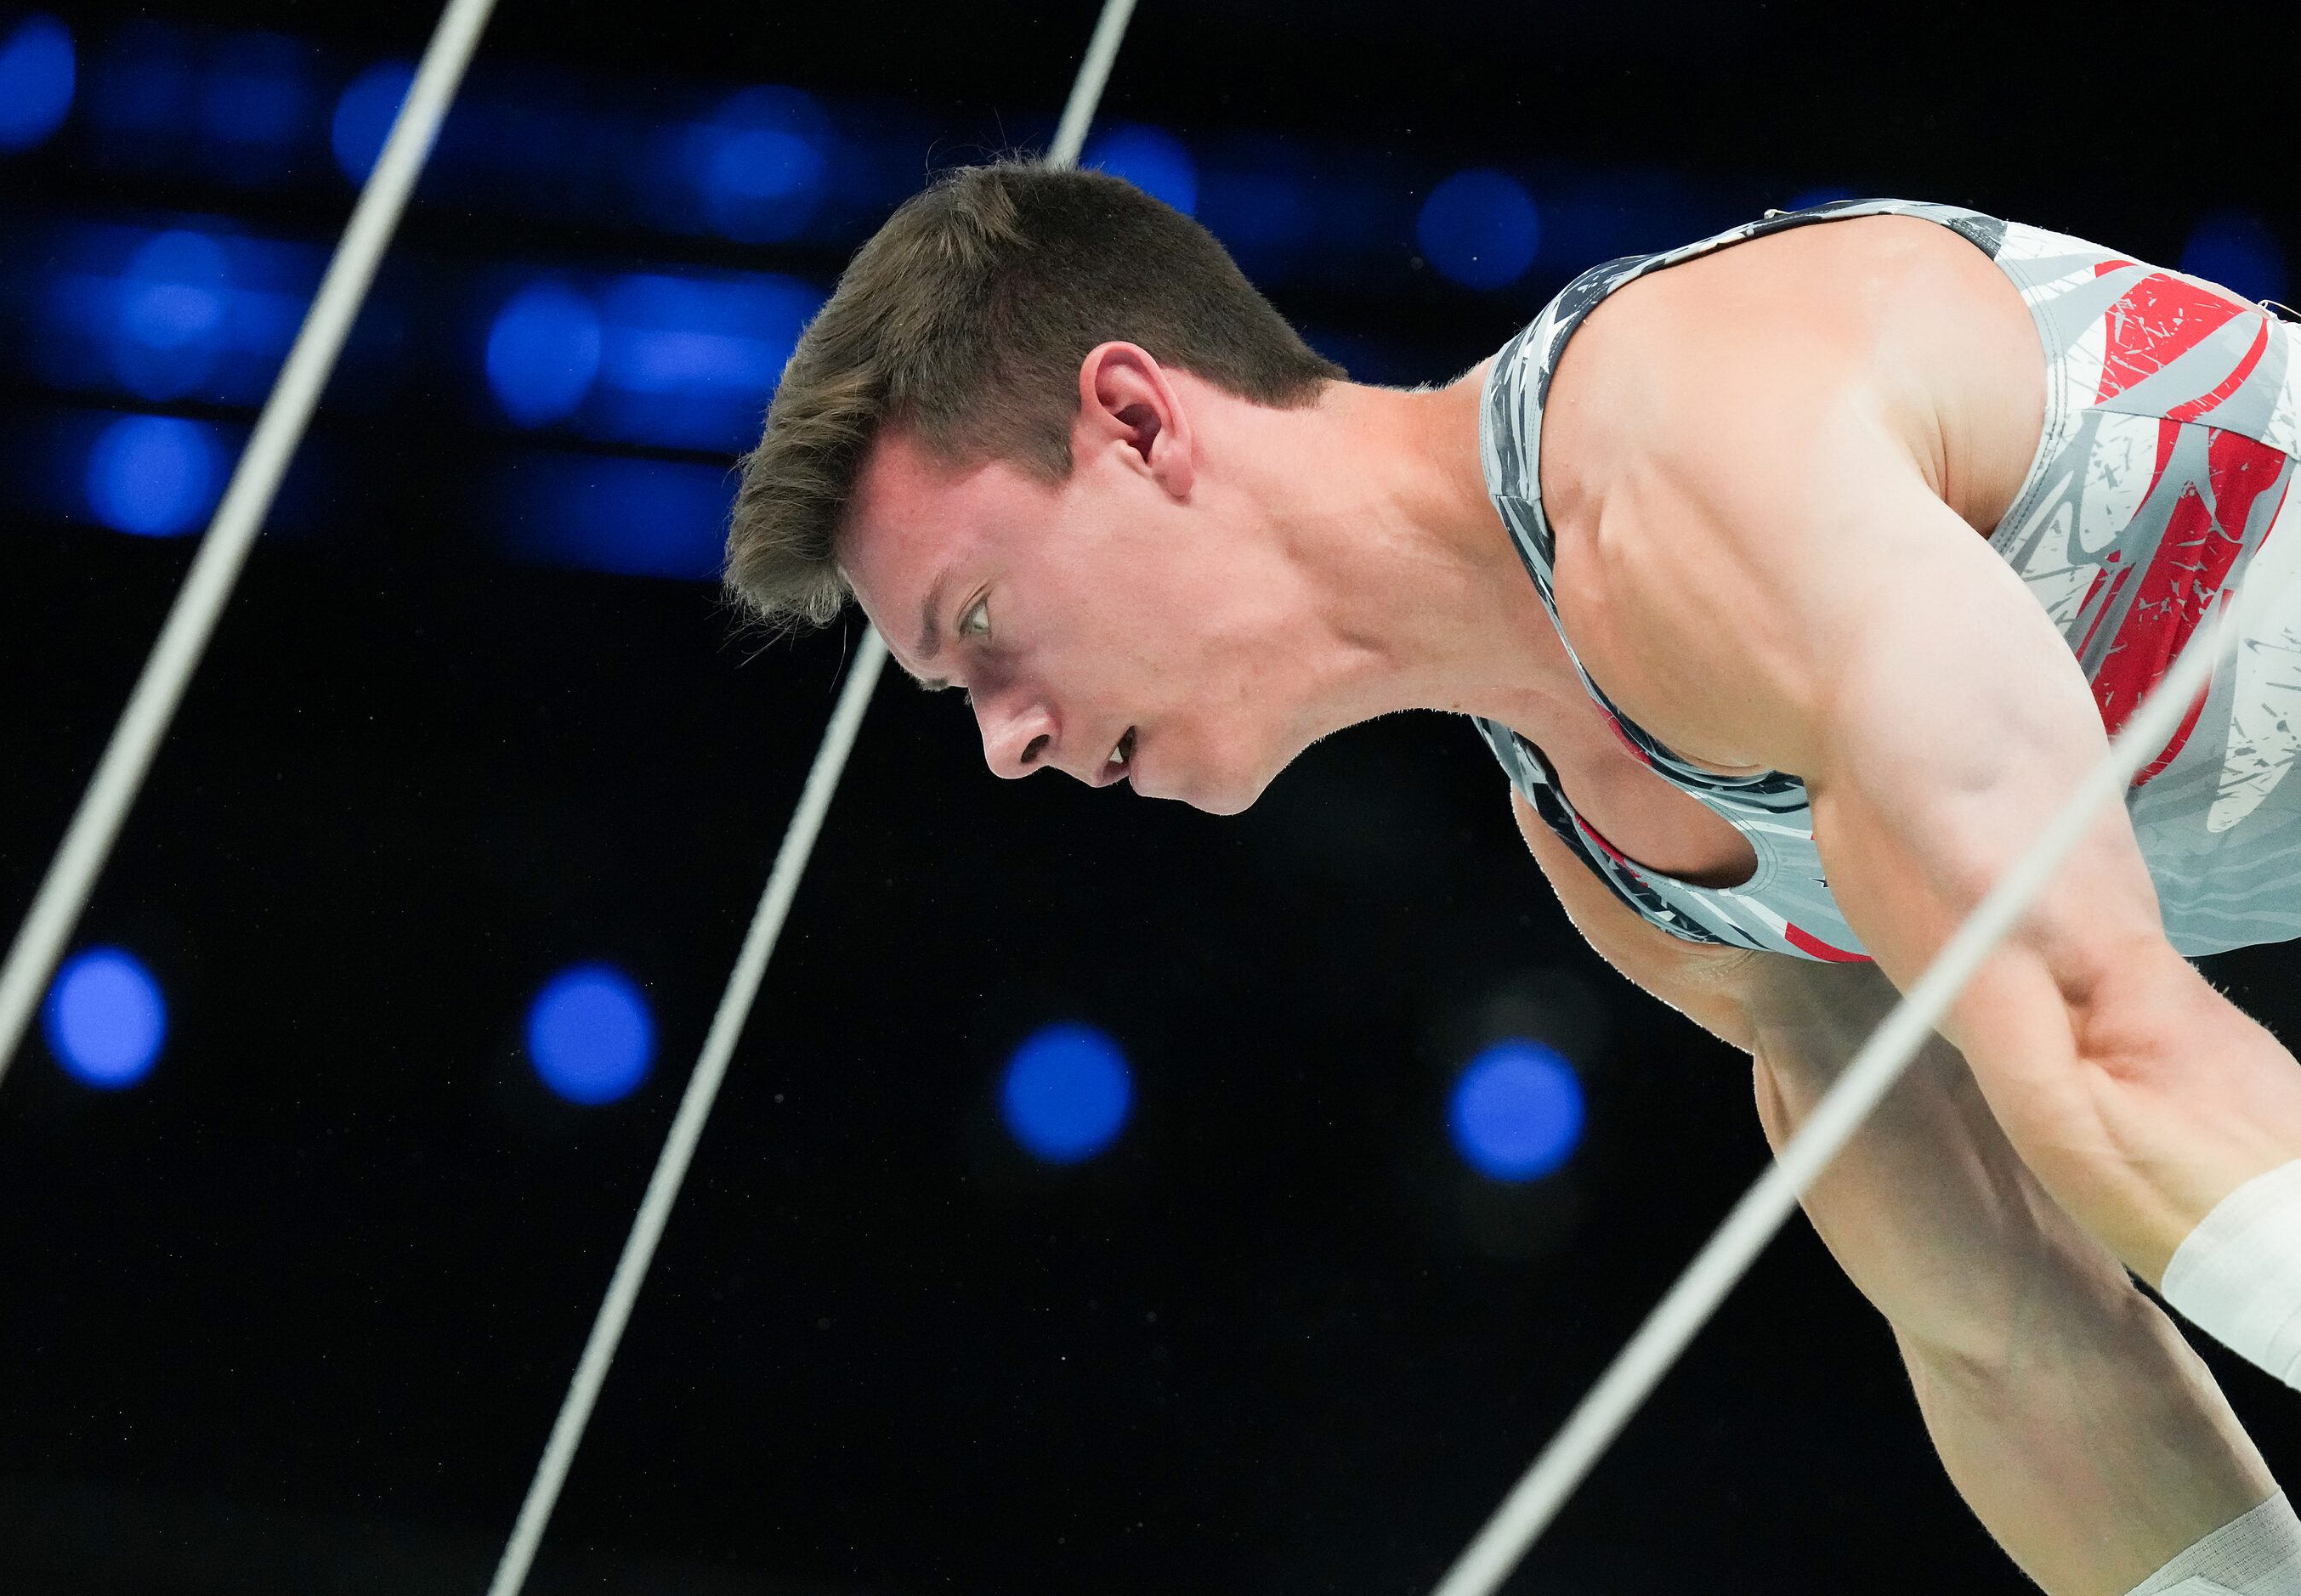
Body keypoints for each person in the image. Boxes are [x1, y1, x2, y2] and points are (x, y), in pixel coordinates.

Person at [724, 161, 2301, 1594]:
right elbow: (2015, 1343)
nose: (1003, 748)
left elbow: (2112, 1050)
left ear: (1138, 423)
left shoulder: (1680, 443)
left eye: (981, 621)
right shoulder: (1613, 855)